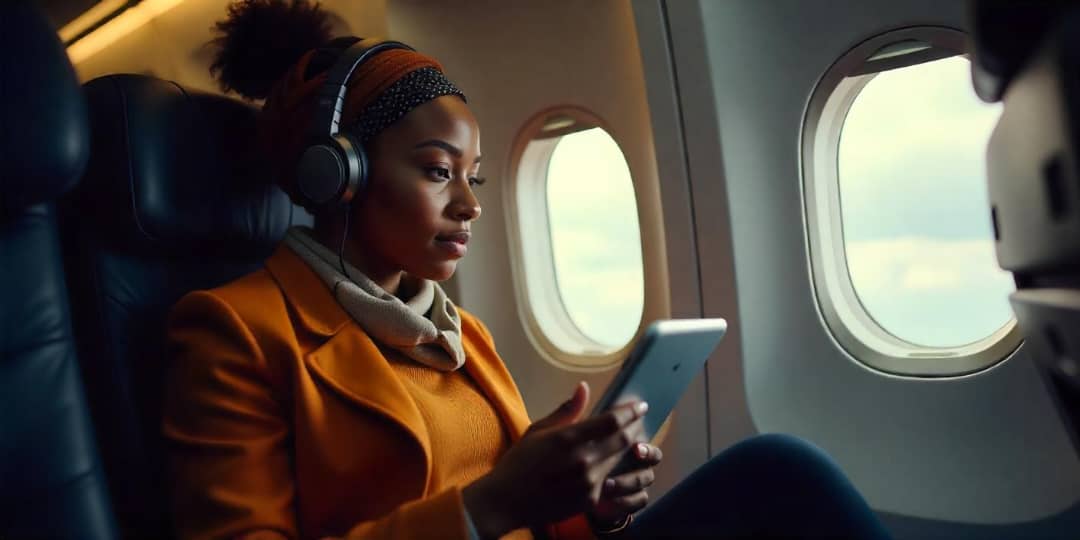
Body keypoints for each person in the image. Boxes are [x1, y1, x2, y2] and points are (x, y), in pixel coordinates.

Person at [162, 1, 892, 539]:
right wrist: (493, 503)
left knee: (779, 474)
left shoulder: (458, 335)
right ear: (336, 175)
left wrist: (589, 504)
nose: (469, 207)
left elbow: (533, 522)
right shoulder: (235, 333)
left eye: (474, 179)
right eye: (438, 171)